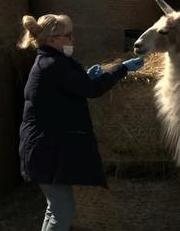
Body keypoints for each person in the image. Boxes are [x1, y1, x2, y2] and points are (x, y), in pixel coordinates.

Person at [17, 14, 144, 231]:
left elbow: (64, 89)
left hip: (43, 147)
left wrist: (84, 76)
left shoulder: (50, 62)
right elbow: (91, 91)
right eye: (68, 35)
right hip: (45, 149)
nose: (73, 40)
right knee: (63, 211)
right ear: (53, 39)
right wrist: (121, 69)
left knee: (56, 208)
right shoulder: (53, 64)